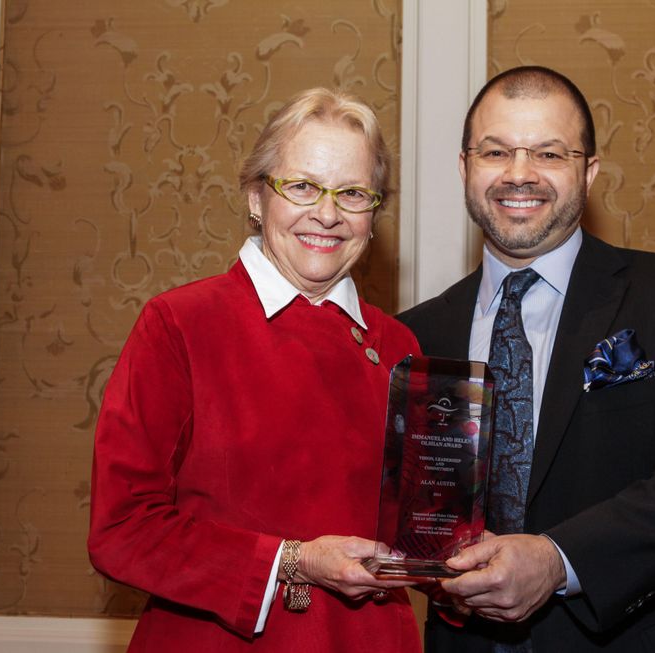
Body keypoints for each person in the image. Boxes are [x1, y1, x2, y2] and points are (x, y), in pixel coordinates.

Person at [400, 66, 655, 652]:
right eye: (495, 151)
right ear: (465, 167)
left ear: (589, 171)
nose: (519, 173)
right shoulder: (416, 335)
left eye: (549, 153)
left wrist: (559, 559)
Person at [88, 87, 422, 652]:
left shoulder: (398, 346)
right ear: (256, 198)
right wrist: (293, 561)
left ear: (373, 215)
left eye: (352, 193)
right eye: (302, 186)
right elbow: (122, 529)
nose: (327, 214)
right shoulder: (180, 324)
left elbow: (421, 529)